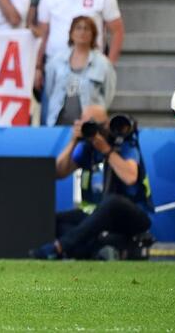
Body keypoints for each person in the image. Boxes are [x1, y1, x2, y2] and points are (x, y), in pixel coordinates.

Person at [31, 106, 154, 260]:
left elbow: (130, 177)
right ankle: (102, 248)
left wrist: (106, 149)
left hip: (131, 215)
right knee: (55, 221)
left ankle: (59, 247)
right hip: (99, 217)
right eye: (87, 125)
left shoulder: (124, 141)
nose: (92, 130)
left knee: (112, 202)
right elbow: (58, 172)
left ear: (106, 125)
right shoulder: (87, 149)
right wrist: (73, 142)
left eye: (95, 125)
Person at [43, 16, 115, 126]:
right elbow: (50, 89)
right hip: (58, 122)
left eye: (86, 29)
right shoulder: (56, 60)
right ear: (71, 33)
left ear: (93, 34)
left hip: (90, 125)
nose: (82, 32)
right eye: (78, 28)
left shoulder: (103, 63)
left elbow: (108, 95)